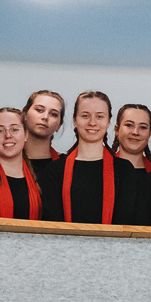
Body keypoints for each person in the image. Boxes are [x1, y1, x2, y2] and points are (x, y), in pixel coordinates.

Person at [52, 91, 133, 225]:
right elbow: (53, 223)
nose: (92, 123)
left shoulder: (124, 170)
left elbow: (126, 221)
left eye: (99, 116)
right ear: (74, 120)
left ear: (108, 121)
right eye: (85, 116)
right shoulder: (55, 170)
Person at [20, 90, 66, 161]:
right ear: (25, 115)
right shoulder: (5, 161)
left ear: (59, 125)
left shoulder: (68, 163)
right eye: (39, 110)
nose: (45, 117)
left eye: (53, 114)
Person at [113, 103, 151, 170]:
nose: (135, 132)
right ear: (117, 130)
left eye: (143, 127)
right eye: (129, 125)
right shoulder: (98, 171)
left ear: (150, 133)